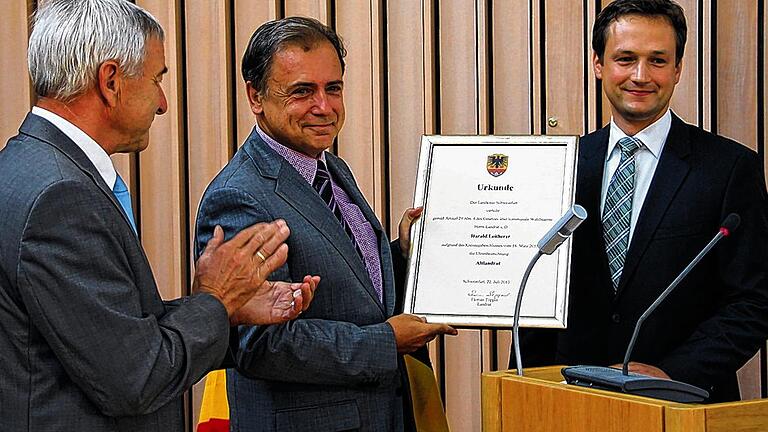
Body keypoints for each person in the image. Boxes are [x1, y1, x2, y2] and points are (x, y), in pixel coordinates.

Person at [0, 1, 318, 430]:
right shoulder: (62, 195)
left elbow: (101, 335)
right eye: (156, 79)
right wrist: (216, 301)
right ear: (111, 81)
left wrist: (221, 308)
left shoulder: (25, 165)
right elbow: (136, 377)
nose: (164, 103)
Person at [195, 16, 457, 431]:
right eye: (302, 92)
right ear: (255, 96)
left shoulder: (331, 168)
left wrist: (403, 254)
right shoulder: (240, 196)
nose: (324, 106)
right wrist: (386, 342)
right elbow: (259, 344)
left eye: (332, 88)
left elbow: (349, 289)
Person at [514, 0, 768, 403]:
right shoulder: (559, 168)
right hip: (567, 400)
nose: (640, 75)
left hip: (685, 400)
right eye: (625, 58)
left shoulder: (729, 168)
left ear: (678, 69)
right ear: (598, 64)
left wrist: (672, 372)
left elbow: (754, 299)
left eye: (658, 60)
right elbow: (531, 288)